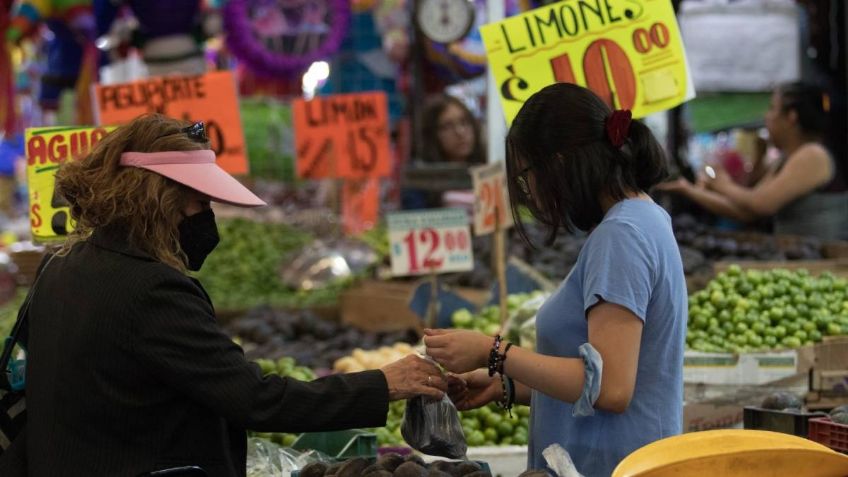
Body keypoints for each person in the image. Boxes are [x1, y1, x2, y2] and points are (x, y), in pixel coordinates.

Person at [0, 114, 447, 477]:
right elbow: (256, 399)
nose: (207, 219)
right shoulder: (152, 289)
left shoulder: (59, 267)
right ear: (157, 199)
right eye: (200, 205)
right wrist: (382, 384)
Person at [424, 83, 687, 477]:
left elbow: (611, 387)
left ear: (559, 163)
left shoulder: (621, 236)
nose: (529, 194)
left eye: (527, 177)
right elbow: (603, 376)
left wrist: (493, 352)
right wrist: (507, 385)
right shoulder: (641, 218)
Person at [659, 82, 848, 240]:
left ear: (791, 117)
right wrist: (688, 189)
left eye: (772, 109)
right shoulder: (787, 159)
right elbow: (746, 211)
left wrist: (722, 184)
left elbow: (761, 204)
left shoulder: (812, 155)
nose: (766, 117)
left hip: (825, 265)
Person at [402, 95, 485, 209]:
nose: (460, 132)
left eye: (464, 122)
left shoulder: (489, 166)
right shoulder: (420, 180)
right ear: (432, 135)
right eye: (447, 126)